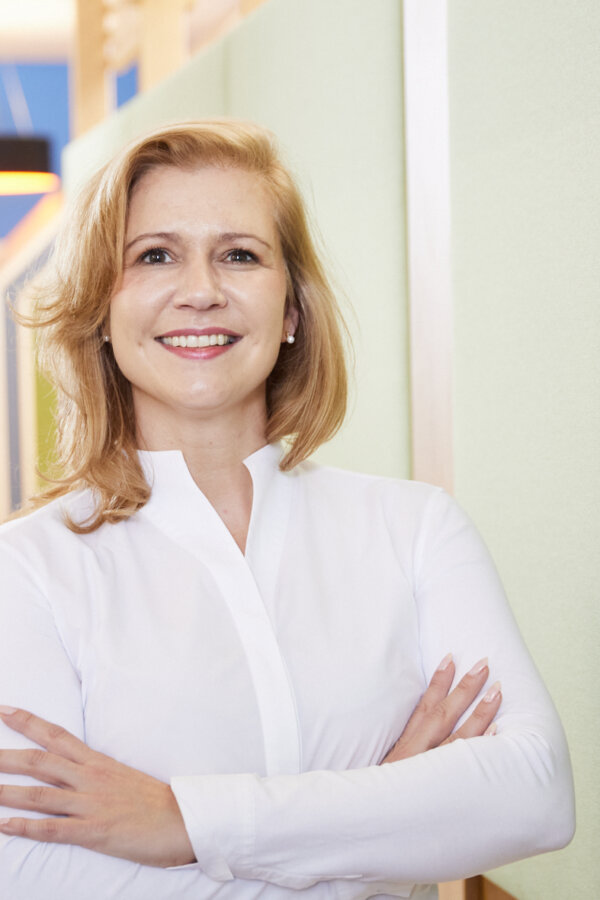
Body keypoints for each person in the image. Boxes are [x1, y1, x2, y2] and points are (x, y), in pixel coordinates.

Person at [0, 120, 574, 900]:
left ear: (292, 309)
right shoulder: (27, 571)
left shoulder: (414, 530)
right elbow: (29, 875)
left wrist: (181, 823)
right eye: (154, 255)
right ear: (103, 308)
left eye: (240, 254)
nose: (200, 290)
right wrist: (380, 825)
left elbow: (536, 795)